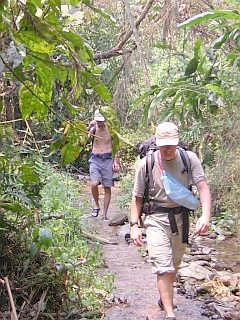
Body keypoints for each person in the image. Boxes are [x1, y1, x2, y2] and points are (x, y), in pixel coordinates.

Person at [130, 122, 211, 320]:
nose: (168, 149)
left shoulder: (188, 158)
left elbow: (202, 187)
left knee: (173, 266)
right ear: (156, 142)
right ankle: (170, 313)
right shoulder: (146, 164)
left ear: (177, 143)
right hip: (155, 219)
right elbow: (137, 198)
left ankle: (164, 298)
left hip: (181, 219)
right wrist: (134, 226)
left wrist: (205, 215)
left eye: (171, 144)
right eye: (164, 144)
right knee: (163, 266)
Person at [88, 109, 119, 220]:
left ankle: (105, 214)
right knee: (94, 183)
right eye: (98, 121)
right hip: (95, 158)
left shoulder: (111, 130)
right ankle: (96, 205)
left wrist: (115, 161)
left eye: (101, 121)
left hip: (107, 159)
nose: (100, 123)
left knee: (107, 187)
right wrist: (89, 127)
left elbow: (116, 146)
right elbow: (84, 139)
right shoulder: (94, 128)